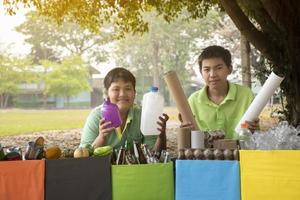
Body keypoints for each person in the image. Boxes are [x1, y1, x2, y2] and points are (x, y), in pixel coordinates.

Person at [80, 67, 169, 152]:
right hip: (103, 167)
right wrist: (101, 137)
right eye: (116, 89)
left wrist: (161, 137)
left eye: (128, 89)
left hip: (134, 168)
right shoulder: (96, 117)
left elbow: (153, 154)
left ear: (134, 93)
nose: (122, 94)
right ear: (107, 93)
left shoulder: (143, 116)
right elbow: (83, 155)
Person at [186, 45, 259, 139]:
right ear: (201, 72)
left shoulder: (246, 95)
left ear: (230, 69)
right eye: (207, 69)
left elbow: (251, 131)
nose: (212, 75)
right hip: (205, 153)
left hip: (240, 152)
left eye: (218, 68)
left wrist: (253, 128)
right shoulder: (193, 101)